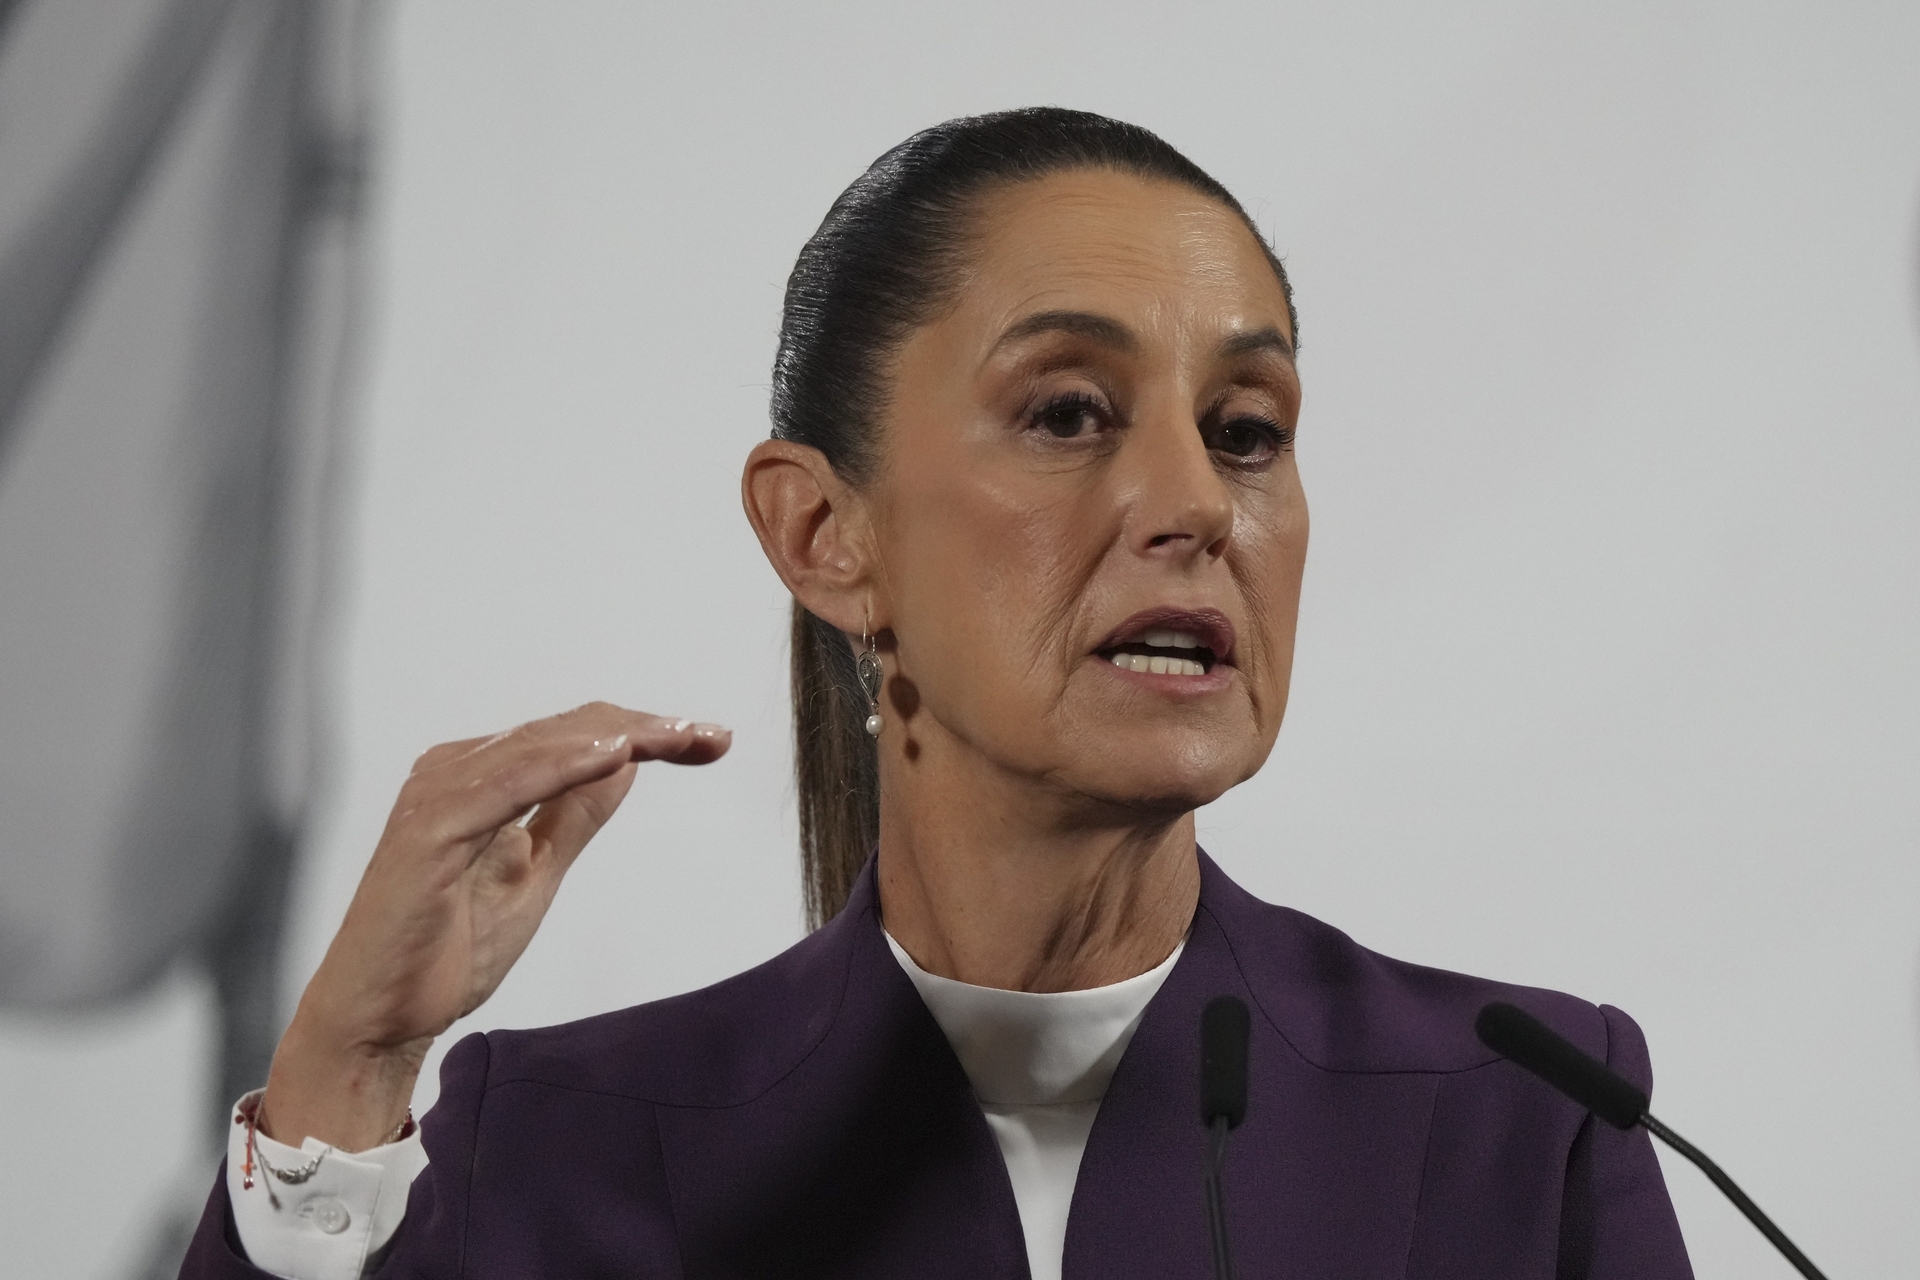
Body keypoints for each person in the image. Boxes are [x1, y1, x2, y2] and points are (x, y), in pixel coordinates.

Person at [179, 108, 1693, 1280]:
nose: (1194, 504)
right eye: (1070, 412)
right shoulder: (566, 1140)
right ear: (823, 534)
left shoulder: (1524, 1121)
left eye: (1246, 430)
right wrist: (344, 1079)